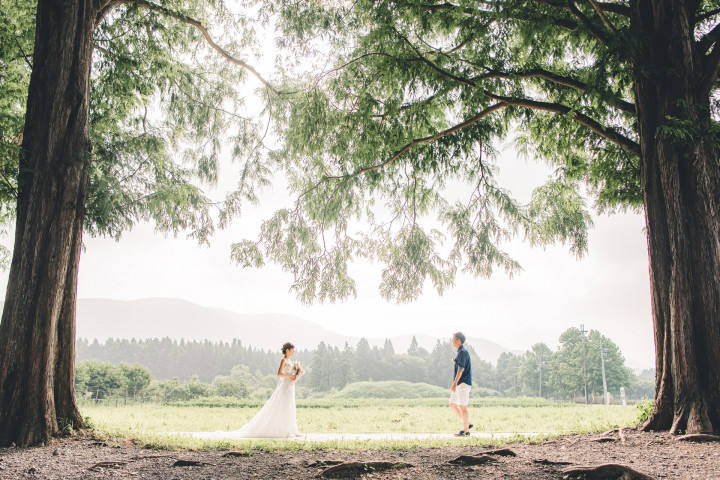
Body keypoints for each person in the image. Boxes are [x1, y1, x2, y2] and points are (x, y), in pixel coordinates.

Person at [229, 341, 304, 438]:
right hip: (285, 387)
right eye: (292, 350)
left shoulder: (290, 362)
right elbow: (279, 373)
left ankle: (293, 429)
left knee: (290, 406)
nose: (293, 352)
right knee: (282, 407)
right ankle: (284, 430)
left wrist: (298, 373)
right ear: (287, 350)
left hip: (290, 387)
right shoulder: (284, 360)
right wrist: (291, 376)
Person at [450, 332, 473, 436]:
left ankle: (466, 431)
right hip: (459, 383)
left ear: (459, 340)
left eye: (453, 339)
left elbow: (461, 369)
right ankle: (467, 423)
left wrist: (454, 383)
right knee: (452, 404)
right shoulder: (460, 352)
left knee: (463, 406)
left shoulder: (462, 352)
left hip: (463, 383)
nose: (452, 341)